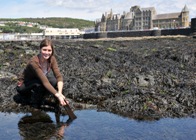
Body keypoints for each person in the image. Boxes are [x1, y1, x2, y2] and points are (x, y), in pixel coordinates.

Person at [16, 38, 67, 107]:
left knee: (54, 81)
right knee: (39, 84)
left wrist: (60, 93)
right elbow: (44, 81)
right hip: (24, 85)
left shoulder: (52, 59)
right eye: (44, 50)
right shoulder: (33, 62)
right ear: (40, 49)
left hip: (38, 79)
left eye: (49, 50)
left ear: (52, 51)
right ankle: (35, 103)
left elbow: (59, 77)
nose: (47, 52)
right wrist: (57, 95)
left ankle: (49, 96)